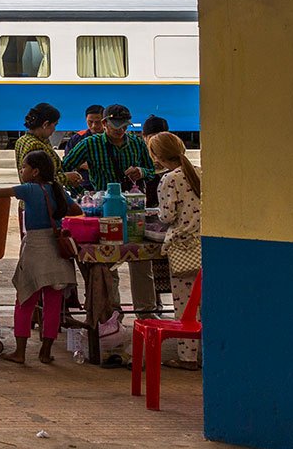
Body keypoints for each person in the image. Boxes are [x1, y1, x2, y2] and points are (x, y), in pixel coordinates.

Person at [0, 150, 79, 365]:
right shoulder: (58, 190)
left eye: (24, 167)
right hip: (57, 251)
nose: (21, 170)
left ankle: (20, 352)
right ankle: (45, 351)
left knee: (25, 301)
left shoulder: (29, 189)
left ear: (34, 172)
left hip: (36, 248)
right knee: (54, 304)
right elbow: (77, 210)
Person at [61, 104, 159, 315]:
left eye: (124, 126)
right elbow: (65, 167)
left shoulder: (136, 144)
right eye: (115, 125)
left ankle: (146, 311)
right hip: (103, 209)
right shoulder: (90, 144)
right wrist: (79, 191)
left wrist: (141, 172)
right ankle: (111, 312)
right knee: (107, 262)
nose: (120, 130)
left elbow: (152, 171)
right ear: (104, 124)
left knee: (141, 263)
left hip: (134, 208)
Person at [147, 132, 202, 366]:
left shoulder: (170, 179)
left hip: (183, 248)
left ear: (156, 156)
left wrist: (154, 215)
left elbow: (167, 216)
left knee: (185, 305)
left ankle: (187, 357)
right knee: (206, 304)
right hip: (207, 245)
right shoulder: (200, 172)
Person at [15, 103, 63, 175]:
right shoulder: (35, 145)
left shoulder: (22, 140)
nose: (54, 129)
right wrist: (67, 178)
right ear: (45, 124)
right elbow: (42, 179)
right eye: (54, 125)